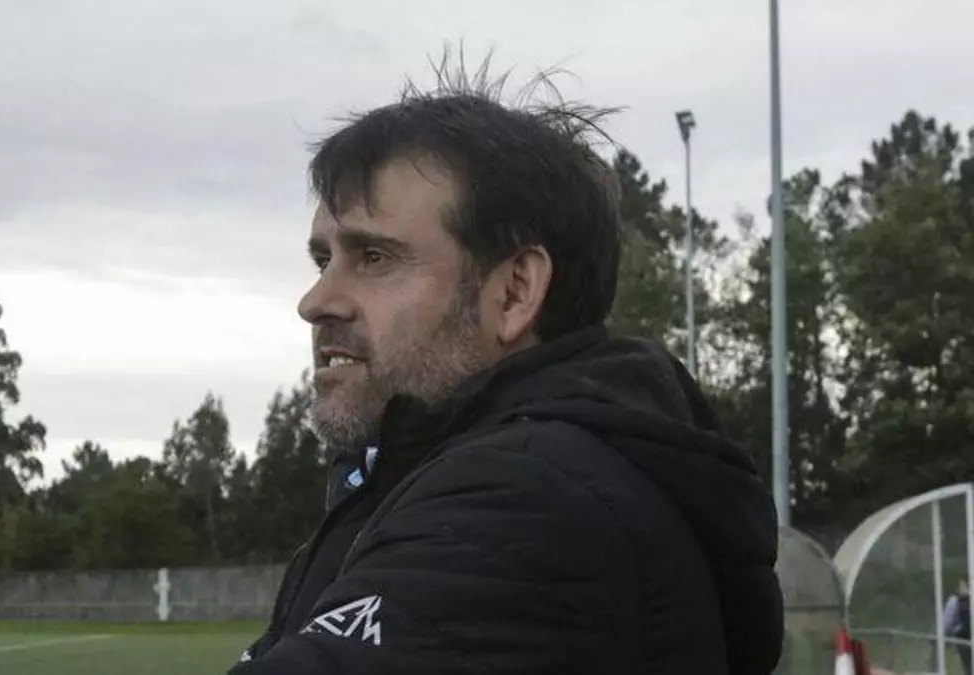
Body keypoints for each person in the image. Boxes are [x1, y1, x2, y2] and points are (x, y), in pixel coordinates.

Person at [231, 55, 783, 675]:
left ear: (515, 292)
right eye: (323, 261)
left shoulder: (529, 502)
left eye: (375, 257)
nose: (316, 301)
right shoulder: (443, 473)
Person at [944, 579, 971, 675]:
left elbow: (947, 624)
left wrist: (950, 634)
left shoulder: (955, 601)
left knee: (969, 667)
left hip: (963, 638)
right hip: (964, 638)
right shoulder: (956, 601)